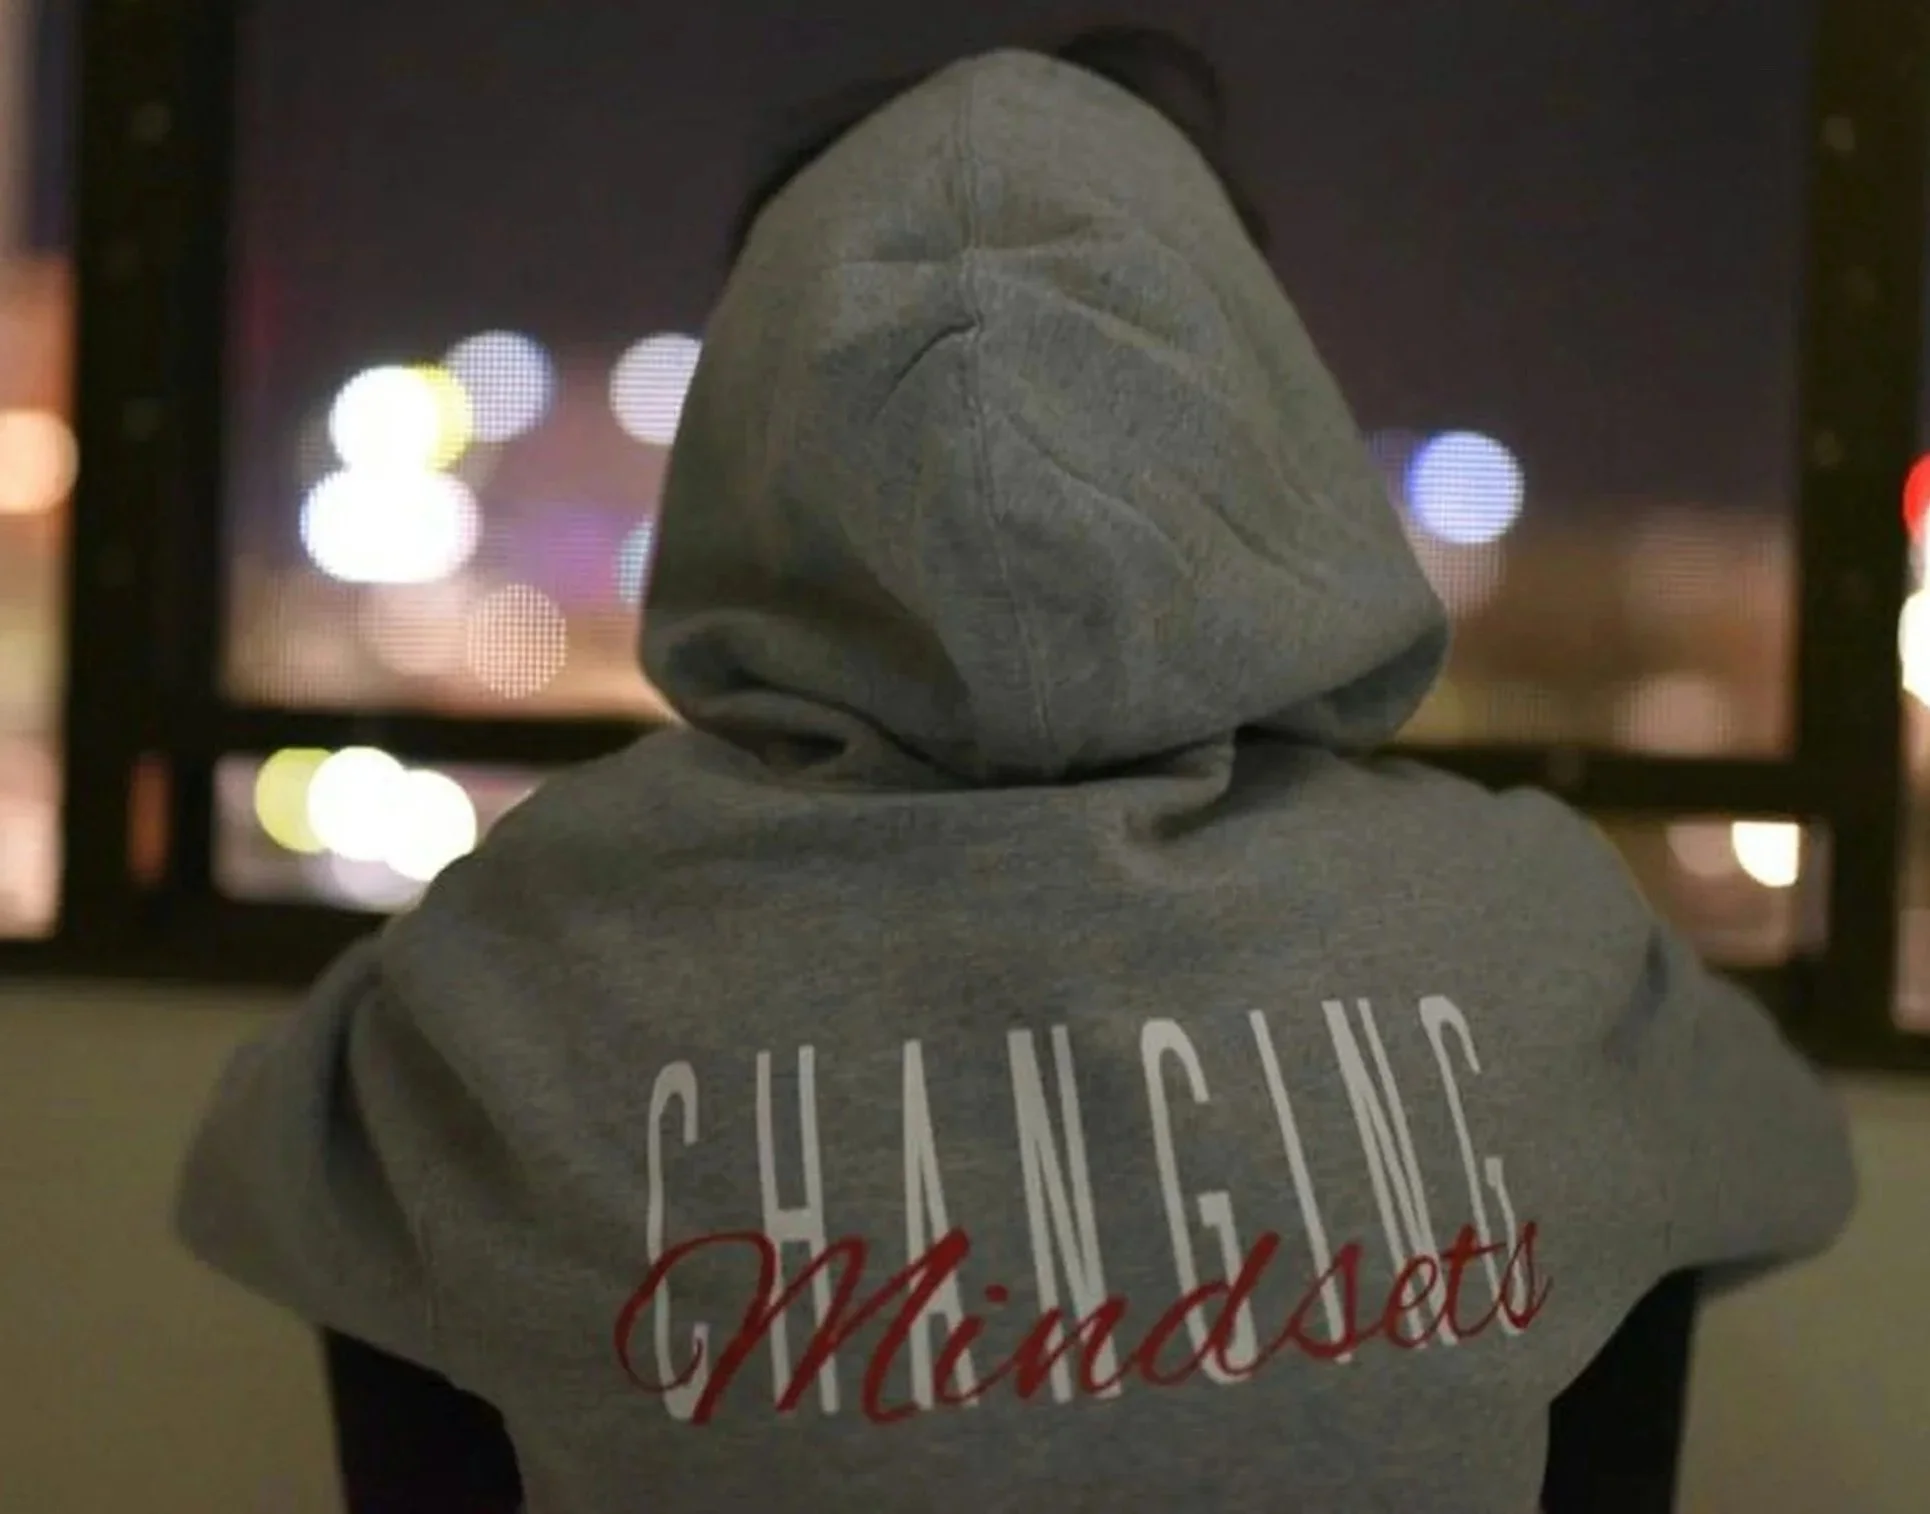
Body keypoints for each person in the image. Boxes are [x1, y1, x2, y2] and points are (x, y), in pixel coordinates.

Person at [174, 27, 1855, 1514]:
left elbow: (294, 1236)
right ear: (1254, 410)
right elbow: (1760, 1196)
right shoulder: (1545, 933)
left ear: (760, 429)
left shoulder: (492, 978)